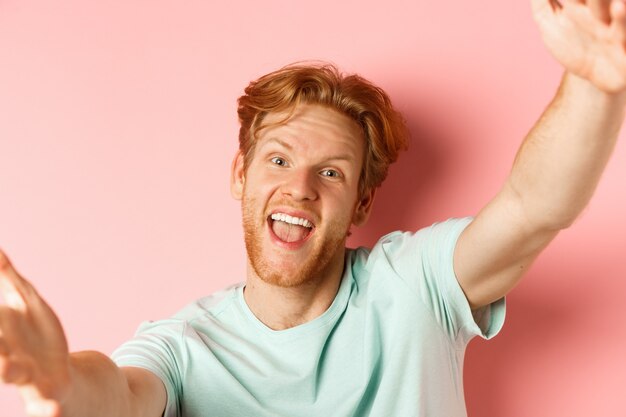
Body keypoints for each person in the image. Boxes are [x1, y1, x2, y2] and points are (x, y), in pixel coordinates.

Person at [2, 0, 626, 416]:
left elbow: (532, 208)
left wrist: (595, 84)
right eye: (277, 161)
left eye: (330, 172)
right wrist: (56, 382)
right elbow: (115, 395)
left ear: (360, 202)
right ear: (239, 176)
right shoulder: (183, 347)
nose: (300, 188)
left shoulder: (414, 284)